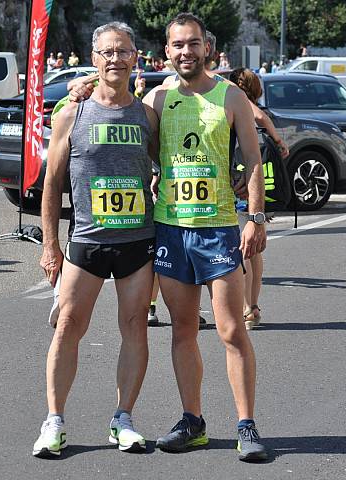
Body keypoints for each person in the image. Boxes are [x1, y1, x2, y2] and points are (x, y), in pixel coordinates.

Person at [143, 13, 268, 462]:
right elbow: (123, 123)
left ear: (207, 47)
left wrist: (256, 216)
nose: (185, 52)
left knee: (232, 330)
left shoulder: (230, 95)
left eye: (193, 44)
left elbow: (252, 158)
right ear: (166, 51)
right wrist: (77, 93)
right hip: (172, 229)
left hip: (217, 229)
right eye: (177, 45)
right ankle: (192, 420)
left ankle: (247, 425)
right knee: (182, 329)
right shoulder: (156, 98)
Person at [32, 21, 159, 458]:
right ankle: (54, 421)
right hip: (85, 241)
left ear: (135, 58)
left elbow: (169, 167)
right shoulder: (73, 112)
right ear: (94, 57)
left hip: (137, 243)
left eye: (123, 52)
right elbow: (51, 183)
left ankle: (123, 418)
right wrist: (51, 246)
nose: (115, 60)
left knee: (134, 328)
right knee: (67, 327)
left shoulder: (147, 115)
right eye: (107, 52)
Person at [229, 67, 289, 329]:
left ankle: (246, 307)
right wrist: (278, 141)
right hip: (262, 183)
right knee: (254, 250)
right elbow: (264, 117)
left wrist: (277, 138)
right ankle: (253, 305)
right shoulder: (255, 105)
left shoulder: (241, 103)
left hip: (243, 182)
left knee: (244, 245)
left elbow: (259, 116)